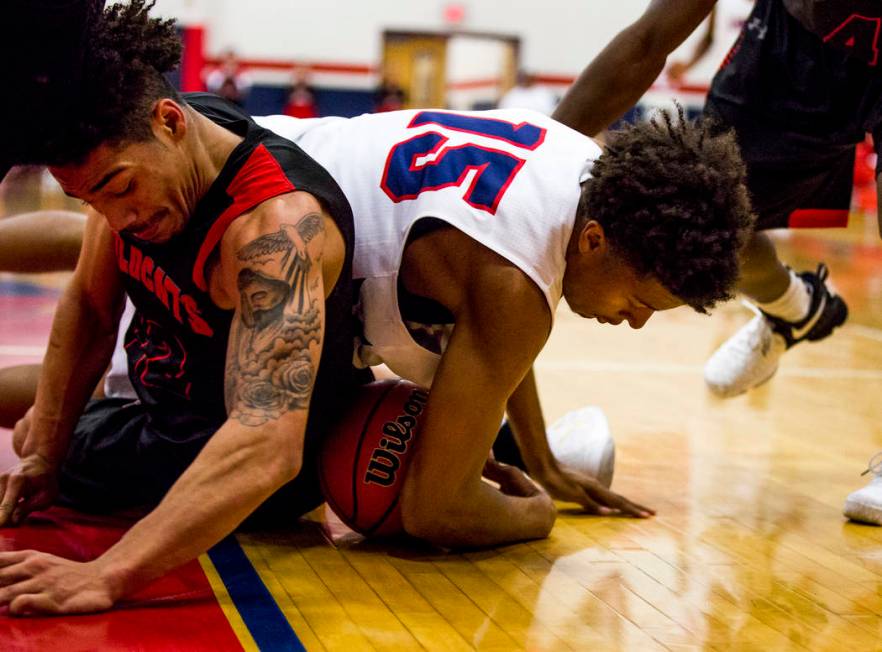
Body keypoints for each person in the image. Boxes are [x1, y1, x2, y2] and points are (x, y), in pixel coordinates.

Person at [255, 102, 754, 548]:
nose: (637, 323)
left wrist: (542, 460)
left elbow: (495, 337)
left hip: (262, 147)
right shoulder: (514, 287)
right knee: (277, 489)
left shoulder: (580, 165)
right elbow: (435, 511)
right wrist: (535, 516)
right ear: (595, 241)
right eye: (638, 300)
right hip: (242, 225)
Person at [0, 1, 362, 614]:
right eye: (87, 198)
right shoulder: (140, 133)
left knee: (42, 422)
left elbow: (267, 443)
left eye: (118, 188)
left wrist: (107, 573)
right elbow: (91, 307)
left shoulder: (276, 230)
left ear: (171, 122)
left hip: (238, 463)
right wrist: (45, 455)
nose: (118, 220)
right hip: (164, 412)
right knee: (41, 430)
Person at [550, 0, 881, 522]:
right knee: (710, 220)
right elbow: (649, 39)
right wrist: (529, 162)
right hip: (794, 42)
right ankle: (794, 308)